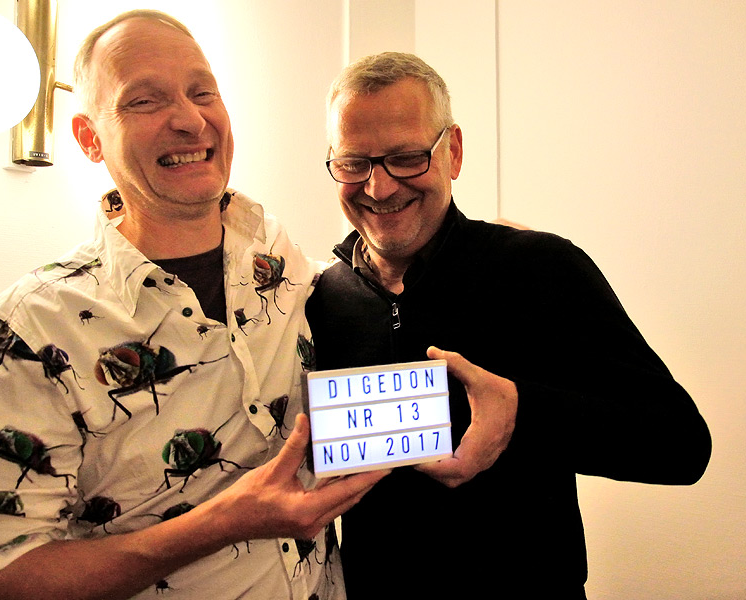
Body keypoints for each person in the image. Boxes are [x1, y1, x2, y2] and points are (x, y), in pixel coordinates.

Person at [0, 11, 385, 600]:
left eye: (203, 93)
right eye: (144, 101)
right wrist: (219, 524)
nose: (190, 120)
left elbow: (377, 290)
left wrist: (493, 253)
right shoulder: (25, 333)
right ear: (89, 138)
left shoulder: (276, 255)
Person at [306, 52, 713, 598]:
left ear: (452, 152)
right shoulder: (317, 301)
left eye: (405, 158)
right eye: (355, 163)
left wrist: (521, 413)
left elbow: (681, 444)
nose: (379, 188)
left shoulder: (539, 268)